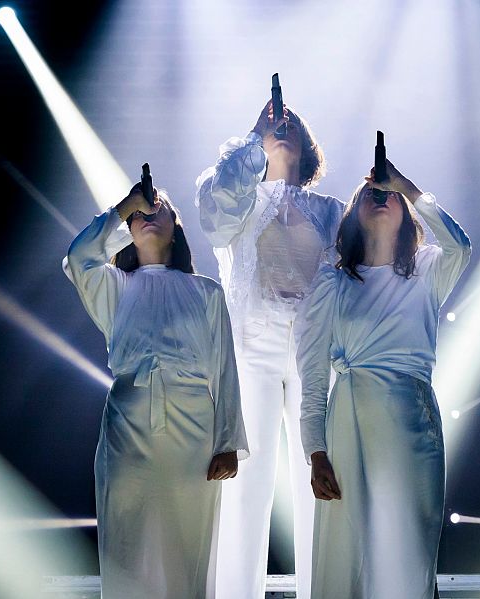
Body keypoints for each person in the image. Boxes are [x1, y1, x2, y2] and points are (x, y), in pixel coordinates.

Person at [295, 159, 471, 598]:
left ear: (407, 213)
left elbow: (460, 246)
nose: (381, 197)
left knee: (407, 545)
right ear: (353, 215)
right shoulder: (331, 283)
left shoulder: (427, 270)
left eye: (389, 194)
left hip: (411, 424)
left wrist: (406, 185)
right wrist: (315, 451)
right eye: (370, 193)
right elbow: (312, 374)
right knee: (348, 552)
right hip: (348, 424)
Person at [64, 183, 248, 599]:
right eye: (138, 214)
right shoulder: (114, 286)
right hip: (128, 428)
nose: (147, 214)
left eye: (157, 209)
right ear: (126, 230)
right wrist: (126, 205)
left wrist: (228, 442)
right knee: (126, 546)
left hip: (194, 432)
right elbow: (79, 257)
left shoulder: (206, 291)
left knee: (187, 550)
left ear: (176, 228)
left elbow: (225, 369)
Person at [195, 98, 345, 598]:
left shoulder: (331, 211)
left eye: (291, 126)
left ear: (308, 147)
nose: (282, 129)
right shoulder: (238, 199)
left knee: (320, 480)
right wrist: (252, 141)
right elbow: (214, 217)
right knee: (243, 484)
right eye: (273, 125)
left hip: (314, 352)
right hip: (252, 348)